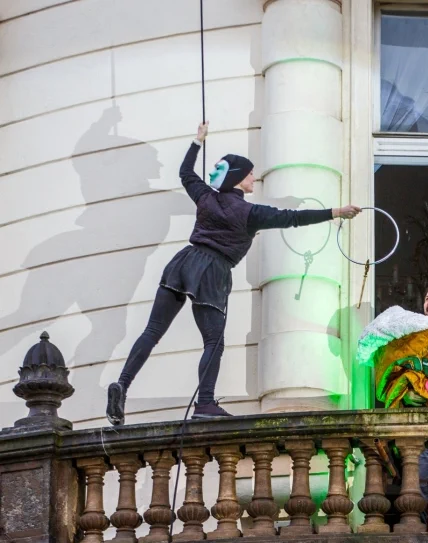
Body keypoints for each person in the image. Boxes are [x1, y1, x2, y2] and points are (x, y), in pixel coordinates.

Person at [106, 122, 361, 424]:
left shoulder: (205, 197)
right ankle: (205, 403)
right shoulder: (250, 213)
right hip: (212, 272)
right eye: (250, 173)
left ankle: (122, 384)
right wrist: (335, 212)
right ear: (239, 178)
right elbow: (292, 218)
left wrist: (197, 141)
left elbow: (186, 173)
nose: (254, 178)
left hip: (184, 262)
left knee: (152, 331)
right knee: (214, 341)